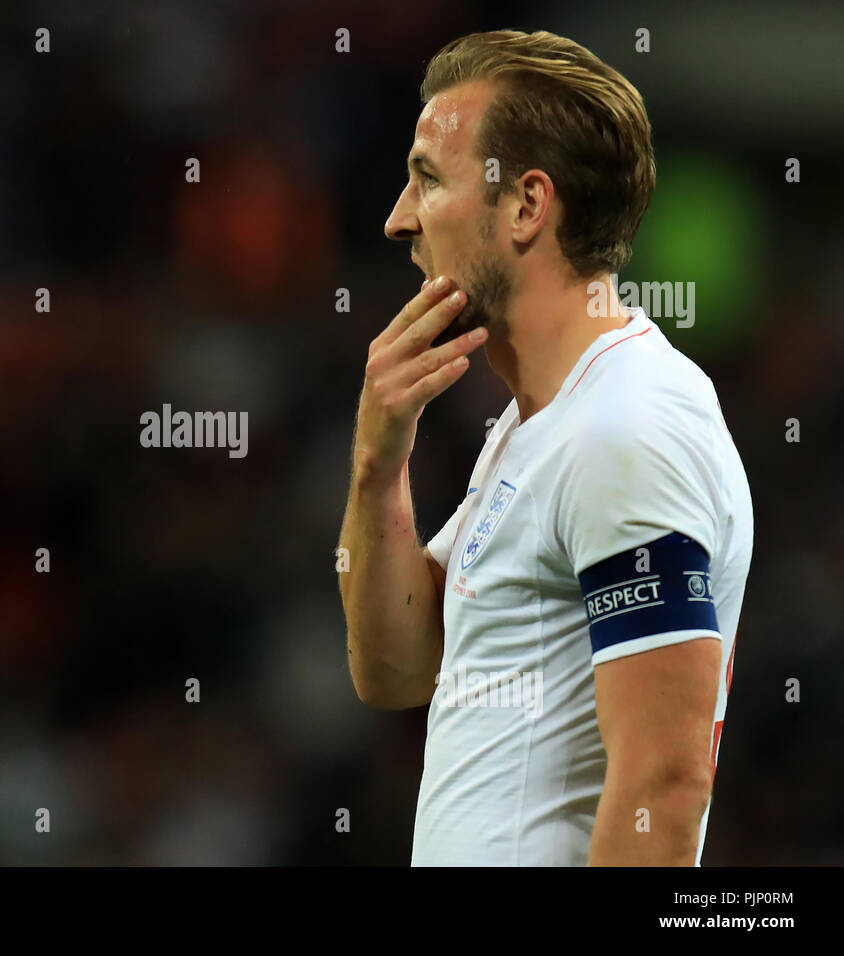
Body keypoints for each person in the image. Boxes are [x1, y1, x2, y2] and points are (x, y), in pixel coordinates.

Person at [336, 29, 753, 865]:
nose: (398, 219)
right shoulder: (544, 425)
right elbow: (396, 670)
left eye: (427, 179)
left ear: (527, 205)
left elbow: (664, 788)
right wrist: (377, 467)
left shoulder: (628, 428)